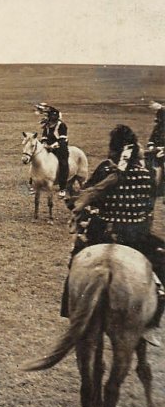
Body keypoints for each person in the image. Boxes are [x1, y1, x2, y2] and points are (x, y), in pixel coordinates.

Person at [64, 125, 164, 346]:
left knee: (76, 259)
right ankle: (152, 323)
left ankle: (70, 310)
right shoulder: (148, 175)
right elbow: (152, 200)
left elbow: (84, 197)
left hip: (104, 234)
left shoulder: (106, 171)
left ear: (112, 151)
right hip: (137, 238)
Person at [38, 104, 69, 198]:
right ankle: (34, 181)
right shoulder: (47, 126)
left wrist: (52, 146)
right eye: (51, 116)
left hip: (60, 148)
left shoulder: (62, 125)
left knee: (63, 163)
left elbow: (62, 139)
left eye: (55, 116)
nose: (53, 117)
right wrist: (44, 144)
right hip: (48, 147)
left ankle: (63, 188)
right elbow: (44, 137)